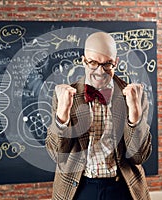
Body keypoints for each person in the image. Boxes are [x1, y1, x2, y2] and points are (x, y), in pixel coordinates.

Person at [46, 31, 152, 200]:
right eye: (93, 62)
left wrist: (134, 118)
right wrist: (62, 118)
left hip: (122, 188)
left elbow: (139, 157)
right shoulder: (65, 95)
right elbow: (57, 156)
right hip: (78, 188)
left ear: (116, 62)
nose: (100, 72)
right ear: (83, 61)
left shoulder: (135, 96)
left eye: (107, 64)